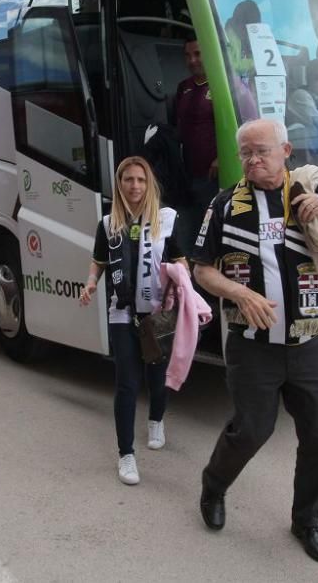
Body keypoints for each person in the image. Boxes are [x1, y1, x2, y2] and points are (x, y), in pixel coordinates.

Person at [192, 118, 318, 562]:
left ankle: (307, 521)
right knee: (251, 430)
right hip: (252, 345)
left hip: (311, 344)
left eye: (261, 150)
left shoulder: (311, 193)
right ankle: (213, 486)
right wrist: (240, 293)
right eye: (245, 152)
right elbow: (201, 267)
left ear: (286, 150)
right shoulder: (226, 205)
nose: (252, 160)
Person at [79, 156, 186, 486]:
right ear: (120, 183)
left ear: (149, 183)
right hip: (122, 313)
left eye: (141, 179)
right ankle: (126, 454)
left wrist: (180, 281)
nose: (135, 185)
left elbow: (181, 260)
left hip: (157, 313)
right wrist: (91, 281)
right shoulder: (109, 223)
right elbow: (98, 262)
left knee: (157, 373)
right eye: (128, 179)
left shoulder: (167, 219)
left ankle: (156, 419)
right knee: (126, 382)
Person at [174, 38, 220, 251]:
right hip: (186, 177)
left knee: (210, 233)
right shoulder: (183, 87)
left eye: (198, 54)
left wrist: (222, 158)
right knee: (187, 234)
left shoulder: (221, 86)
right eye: (188, 55)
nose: (192, 60)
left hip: (212, 178)